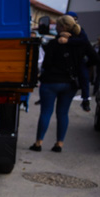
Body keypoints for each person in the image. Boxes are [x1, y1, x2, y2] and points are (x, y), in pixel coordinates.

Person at [30, 15, 100, 153]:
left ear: (62, 27)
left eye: (57, 25)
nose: (55, 28)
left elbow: (46, 63)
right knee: (63, 113)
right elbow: (96, 58)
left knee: (45, 112)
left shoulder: (53, 44)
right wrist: (83, 65)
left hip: (50, 82)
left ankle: (38, 143)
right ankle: (59, 144)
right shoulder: (81, 43)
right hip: (69, 83)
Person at [66, 11, 93, 111]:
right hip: (67, 60)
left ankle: (85, 99)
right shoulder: (63, 30)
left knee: (84, 77)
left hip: (78, 60)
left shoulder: (80, 30)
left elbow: (84, 41)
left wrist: (69, 41)